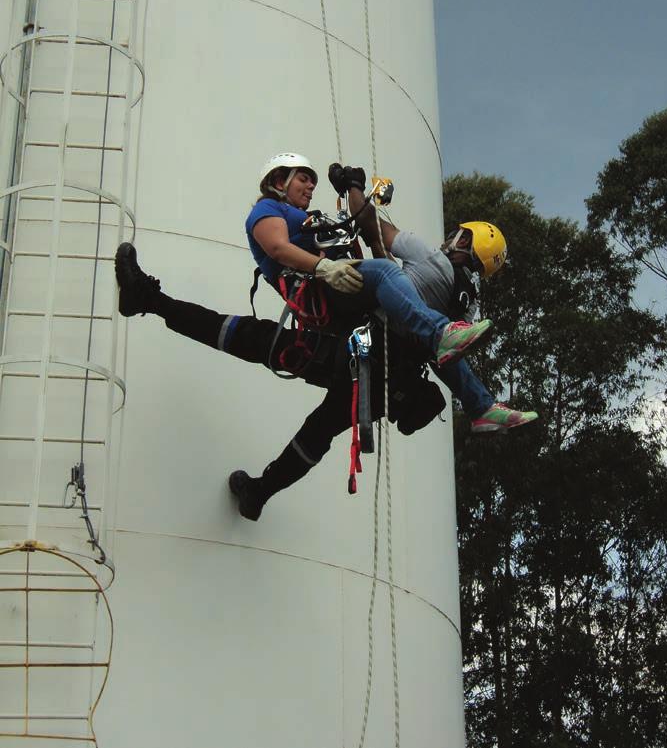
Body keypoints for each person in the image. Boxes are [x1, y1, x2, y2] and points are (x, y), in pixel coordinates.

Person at [114, 242, 446, 521]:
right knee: (318, 431)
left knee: (253, 338)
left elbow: (382, 241)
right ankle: (259, 493)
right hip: (371, 381)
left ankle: (148, 300)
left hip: (354, 359)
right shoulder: (454, 307)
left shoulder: (433, 275)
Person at [326, 162, 538, 433]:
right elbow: (400, 286)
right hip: (400, 369)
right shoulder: (468, 306)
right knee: (447, 352)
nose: (448, 239)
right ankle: (482, 408)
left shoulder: (429, 256)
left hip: (372, 336)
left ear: (463, 242)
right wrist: (375, 243)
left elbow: (367, 221)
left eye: (455, 235)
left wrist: (353, 186)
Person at [246, 152, 492, 367]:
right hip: (323, 288)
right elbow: (278, 247)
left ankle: (469, 384)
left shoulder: (303, 217)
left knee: (444, 348)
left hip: (346, 287)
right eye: (304, 179)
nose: (311, 186)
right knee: (387, 274)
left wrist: (353, 191)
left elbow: (372, 231)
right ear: (279, 181)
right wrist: (323, 265)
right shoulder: (268, 208)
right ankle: (477, 395)